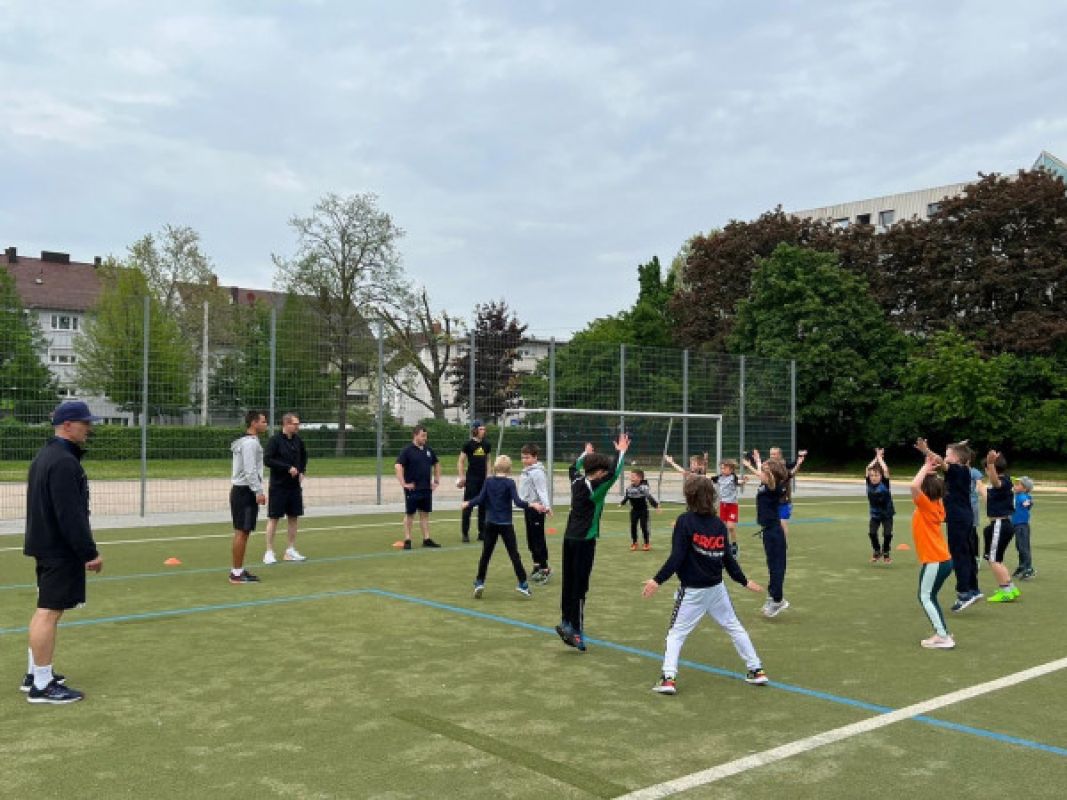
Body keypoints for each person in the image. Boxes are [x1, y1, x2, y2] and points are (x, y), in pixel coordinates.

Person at [642, 474, 768, 695]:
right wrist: (743, 581)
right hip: (717, 589)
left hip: (693, 591)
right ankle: (756, 670)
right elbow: (728, 559)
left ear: (689, 496)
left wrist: (657, 580)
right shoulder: (718, 524)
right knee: (734, 627)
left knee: (676, 634)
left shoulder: (685, 521)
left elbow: (677, 557)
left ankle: (668, 679)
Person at [22, 401, 104, 704]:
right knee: (49, 612)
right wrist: (88, 552)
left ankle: (35, 673)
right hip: (58, 548)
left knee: (45, 609)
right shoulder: (64, 462)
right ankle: (42, 685)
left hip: (46, 544)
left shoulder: (45, 456)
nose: (89, 428)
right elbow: (70, 514)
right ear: (67, 425)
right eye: (85, 423)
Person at [555, 433, 630, 651]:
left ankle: (566, 621)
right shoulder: (596, 489)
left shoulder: (577, 480)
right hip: (584, 541)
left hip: (569, 538)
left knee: (568, 582)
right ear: (597, 473)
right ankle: (576, 632)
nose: (605, 474)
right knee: (580, 585)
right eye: (602, 472)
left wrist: (585, 455)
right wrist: (621, 452)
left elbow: (573, 467)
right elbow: (614, 473)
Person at [465, 455, 546, 598]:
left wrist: (468, 503)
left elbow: (480, 499)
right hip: (506, 524)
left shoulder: (488, 481)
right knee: (514, 555)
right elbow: (518, 502)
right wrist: (532, 504)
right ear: (509, 469)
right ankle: (523, 584)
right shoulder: (510, 483)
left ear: (495, 467)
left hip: (490, 523)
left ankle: (479, 582)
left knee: (486, 554)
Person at [915, 438, 981, 612]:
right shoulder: (965, 470)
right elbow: (953, 457)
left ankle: (964, 593)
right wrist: (958, 445)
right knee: (968, 554)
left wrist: (926, 450)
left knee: (959, 555)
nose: (945, 458)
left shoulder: (956, 470)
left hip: (958, 519)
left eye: (947, 455)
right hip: (966, 517)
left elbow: (940, 461)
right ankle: (973, 589)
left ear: (956, 459)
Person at [909, 453, 954, 649]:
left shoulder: (926, 505)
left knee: (925, 597)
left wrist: (925, 468)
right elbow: (922, 486)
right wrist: (929, 472)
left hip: (935, 560)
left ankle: (943, 637)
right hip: (943, 560)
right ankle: (942, 632)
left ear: (925, 491)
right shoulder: (938, 504)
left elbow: (913, 486)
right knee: (930, 596)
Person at [743, 454, 791, 618]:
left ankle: (778, 600)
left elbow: (771, 478)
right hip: (768, 531)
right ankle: (773, 596)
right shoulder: (765, 484)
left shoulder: (774, 487)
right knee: (772, 566)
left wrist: (762, 466)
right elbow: (763, 475)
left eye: (763, 472)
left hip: (774, 532)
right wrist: (758, 462)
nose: (760, 474)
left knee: (777, 567)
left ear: (770, 475)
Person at [263, 412, 309, 565]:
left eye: (298, 424)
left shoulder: (298, 440)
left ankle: (290, 550)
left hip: (294, 487)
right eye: (295, 424)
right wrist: (287, 467)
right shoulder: (275, 440)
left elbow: (304, 457)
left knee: (293, 517)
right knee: (274, 518)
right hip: (278, 486)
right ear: (286, 424)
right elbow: (268, 460)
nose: (297, 427)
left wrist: (302, 471)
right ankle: (269, 551)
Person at [230, 410, 268, 584]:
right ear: (254, 423)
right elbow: (250, 470)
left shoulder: (248, 441)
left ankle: (238, 570)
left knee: (243, 532)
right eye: (263, 421)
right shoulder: (250, 443)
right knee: (242, 532)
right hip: (245, 491)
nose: (265, 424)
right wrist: (258, 491)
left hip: (243, 491)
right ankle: (236, 574)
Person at [395, 424, 442, 549]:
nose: (425, 438)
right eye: (423, 436)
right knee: (410, 514)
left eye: (426, 436)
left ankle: (426, 539)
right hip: (413, 489)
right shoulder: (407, 450)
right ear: (415, 435)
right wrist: (404, 484)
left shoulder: (428, 450)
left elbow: (436, 464)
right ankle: (408, 540)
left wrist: (436, 481)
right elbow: (398, 466)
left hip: (426, 488)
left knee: (425, 514)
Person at [983, 450, 1020, 603]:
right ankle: (1010, 587)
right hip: (1001, 524)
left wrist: (990, 463)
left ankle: (1005, 591)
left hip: (1000, 524)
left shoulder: (1001, 482)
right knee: (996, 559)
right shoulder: (1006, 481)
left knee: (993, 560)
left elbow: (995, 482)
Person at [518, 443, 553, 583]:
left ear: (535, 457)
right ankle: (536, 565)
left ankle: (545, 568)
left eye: (527, 457)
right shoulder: (526, 471)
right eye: (523, 457)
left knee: (538, 539)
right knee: (531, 539)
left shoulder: (537, 472)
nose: (524, 460)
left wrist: (547, 507)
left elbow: (542, 490)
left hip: (537, 509)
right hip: (528, 507)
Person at [457, 421, 491, 543]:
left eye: (484, 429)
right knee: (468, 506)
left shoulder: (486, 444)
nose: (483, 431)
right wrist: (462, 476)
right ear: (475, 430)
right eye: (481, 429)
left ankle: (482, 533)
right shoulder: (468, 444)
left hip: (483, 480)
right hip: (472, 479)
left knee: (483, 506)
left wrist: (488, 475)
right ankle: (465, 533)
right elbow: (461, 461)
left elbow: (488, 460)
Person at [865, 448, 896, 564]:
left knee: (887, 534)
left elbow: (885, 469)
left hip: (887, 514)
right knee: (872, 533)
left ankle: (886, 552)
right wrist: (876, 457)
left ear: (881, 476)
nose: (873, 477)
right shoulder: (868, 483)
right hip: (875, 514)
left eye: (876, 475)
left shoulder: (885, 484)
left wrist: (880, 459)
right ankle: (877, 551)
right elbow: (868, 468)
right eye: (872, 475)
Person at [711, 459, 746, 556]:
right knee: (722, 527)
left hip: (732, 505)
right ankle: (724, 545)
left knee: (730, 527)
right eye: (721, 468)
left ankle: (734, 545)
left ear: (731, 469)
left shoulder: (733, 477)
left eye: (724, 468)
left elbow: (738, 482)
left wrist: (743, 481)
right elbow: (710, 479)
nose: (722, 470)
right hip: (723, 505)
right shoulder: (719, 478)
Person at [620, 468, 660, 551]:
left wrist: (656, 506)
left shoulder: (644, 488)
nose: (631, 478)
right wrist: (622, 503)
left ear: (640, 478)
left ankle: (646, 543)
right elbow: (627, 497)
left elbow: (649, 497)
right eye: (631, 476)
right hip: (634, 511)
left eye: (633, 476)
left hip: (643, 511)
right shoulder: (629, 488)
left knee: (643, 526)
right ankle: (634, 542)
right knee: (633, 526)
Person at [1011, 476, 1035, 580]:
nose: (1015, 486)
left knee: (1023, 547)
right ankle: (1022, 566)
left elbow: (1027, 502)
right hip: (1017, 525)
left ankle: (1029, 568)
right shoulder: (1018, 495)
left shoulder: (1022, 497)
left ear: (1025, 488)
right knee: (1019, 546)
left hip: (1022, 526)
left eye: (1018, 485)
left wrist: (1029, 502)